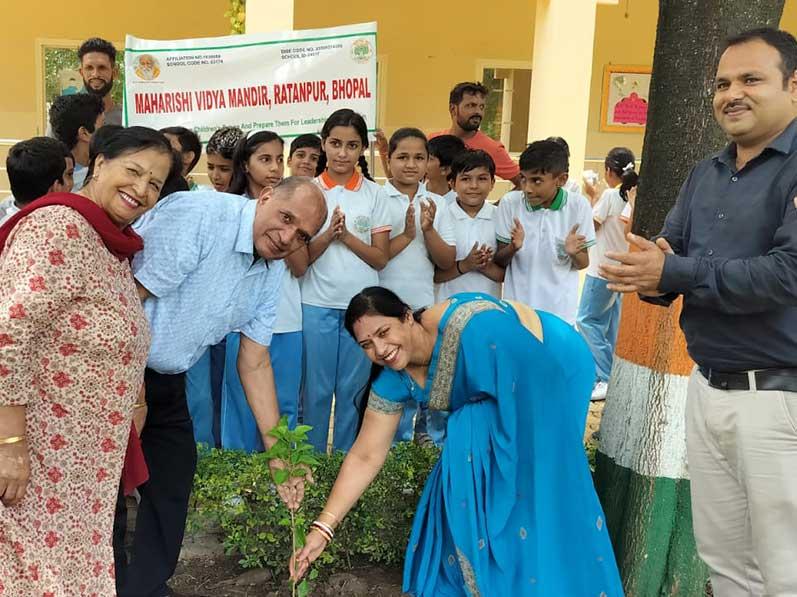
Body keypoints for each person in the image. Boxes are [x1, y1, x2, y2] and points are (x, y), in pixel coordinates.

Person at [601, 28, 797, 596]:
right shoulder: (706, 173)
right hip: (708, 388)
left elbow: (787, 274)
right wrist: (648, 271)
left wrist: (674, 272)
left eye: (751, 79)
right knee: (726, 563)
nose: (732, 94)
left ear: (793, 85)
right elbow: (674, 259)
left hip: (779, 400)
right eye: (722, 84)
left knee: (786, 569)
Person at [289, 287, 623, 596]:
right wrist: (322, 530)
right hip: (502, 395)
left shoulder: (472, 326)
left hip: (552, 365)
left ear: (407, 316)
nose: (379, 349)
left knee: (537, 485)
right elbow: (366, 455)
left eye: (383, 332)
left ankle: (544, 581)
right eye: (366, 344)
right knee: (470, 441)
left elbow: (539, 373)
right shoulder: (393, 376)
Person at [113, 177, 327, 597]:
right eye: (285, 218)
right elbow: (125, 297)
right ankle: (102, 585)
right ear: (265, 196)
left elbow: (255, 361)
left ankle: (146, 588)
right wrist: (131, 388)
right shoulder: (200, 216)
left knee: (173, 478)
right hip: (115, 370)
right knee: (108, 489)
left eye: (302, 235)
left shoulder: (271, 270)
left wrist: (279, 455)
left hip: (166, 379)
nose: (288, 238)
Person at [0, 126, 178, 596]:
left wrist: (134, 402)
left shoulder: (108, 244)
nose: (141, 189)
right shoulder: (57, 228)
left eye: (155, 183)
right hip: (38, 458)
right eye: (133, 171)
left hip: (83, 469)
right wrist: (9, 443)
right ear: (98, 164)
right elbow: (8, 335)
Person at [301, 108, 391, 453]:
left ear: (362, 149)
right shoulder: (308, 191)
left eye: (352, 146)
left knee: (353, 392)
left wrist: (347, 237)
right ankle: (310, 466)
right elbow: (299, 259)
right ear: (323, 144)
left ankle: (343, 465)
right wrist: (328, 236)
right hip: (315, 304)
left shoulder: (375, 195)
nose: (342, 153)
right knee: (316, 391)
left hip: (362, 311)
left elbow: (380, 258)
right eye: (335, 143)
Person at [221, 131, 306, 450]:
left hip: (287, 321)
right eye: (265, 159)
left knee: (284, 407)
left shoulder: (294, 212)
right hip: (240, 324)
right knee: (241, 408)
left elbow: (300, 266)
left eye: (279, 160)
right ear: (246, 164)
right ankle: (237, 478)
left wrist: (289, 225)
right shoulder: (235, 209)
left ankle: (284, 472)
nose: (274, 168)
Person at [378, 128, 456, 443]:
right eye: (402, 157)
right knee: (388, 385)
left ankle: (419, 446)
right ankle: (390, 447)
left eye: (419, 158)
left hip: (422, 308)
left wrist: (429, 230)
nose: (411, 164)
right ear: (389, 159)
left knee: (420, 379)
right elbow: (376, 255)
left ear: (427, 162)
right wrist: (407, 234)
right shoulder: (377, 198)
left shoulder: (437, 204)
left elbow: (447, 260)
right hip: (382, 308)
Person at [494, 140, 595, 325]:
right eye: (523, 179)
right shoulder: (510, 203)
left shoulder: (579, 206)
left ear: (561, 180)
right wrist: (513, 248)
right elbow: (499, 260)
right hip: (517, 311)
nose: (527, 188)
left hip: (560, 314)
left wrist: (573, 252)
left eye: (536, 181)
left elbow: (583, 263)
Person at [577, 147, 638, 401]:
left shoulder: (612, 195)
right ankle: (610, 375)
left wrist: (592, 195)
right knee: (611, 327)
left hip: (601, 270)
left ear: (609, 171)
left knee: (587, 321)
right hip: (621, 269)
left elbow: (590, 227)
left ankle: (604, 376)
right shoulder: (631, 195)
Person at [434, 150, 504, 302]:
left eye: (482, 179)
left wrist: (485, 266)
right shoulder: (440, 217)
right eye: (465, 179)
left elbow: (507, 275)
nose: (474, 186)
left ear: (492, 183)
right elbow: (432, 274)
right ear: (452, 184)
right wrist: (465, 265)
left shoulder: (501, 217)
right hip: (447, 307)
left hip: (490, 307)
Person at [429, 82, 520, 186]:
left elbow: (523, 182)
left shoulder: (492, 148)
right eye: (471, 106)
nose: (478, 112)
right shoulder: (432, 141)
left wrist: (505, 198)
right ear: (453, 109)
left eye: (481, 107)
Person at [0, 137, 74, 225]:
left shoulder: (5, 223)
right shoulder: (59, 227)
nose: (71, 184)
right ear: (55, 187)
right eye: (69, 174)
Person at [49, 93, 105, 191]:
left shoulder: (50, 177)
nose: (108, 131)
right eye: (103, 125)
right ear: (84, 133)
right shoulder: (96, 180)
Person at [78, 37, 122, 126]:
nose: (95, 74)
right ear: (81, 72)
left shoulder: (129, 118)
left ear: (114, 73)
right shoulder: (66, 117)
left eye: (102, 67)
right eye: (89, 68)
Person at [426, 134, 466, 201]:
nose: (422, 162)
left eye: (430, 159)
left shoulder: (459, 202)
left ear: (445, 170)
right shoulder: (411, 191)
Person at [206, 126, 245, 192]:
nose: (215, 176)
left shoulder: (255, 197)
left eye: (224, 169)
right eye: (210, 167)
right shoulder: (208, 195)